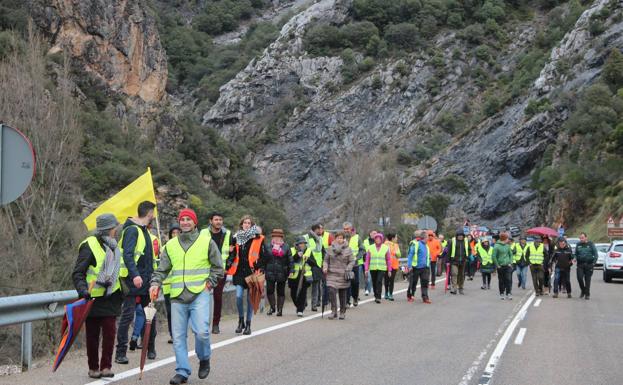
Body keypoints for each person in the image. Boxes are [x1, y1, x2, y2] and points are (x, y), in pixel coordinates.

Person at [150, 208, 223, 385]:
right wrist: (155, 283)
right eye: (182, 220)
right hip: (177, 296)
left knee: (202, 332)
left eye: (188, 219)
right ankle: (182, 371)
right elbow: (162, 269)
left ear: (195, 222)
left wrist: (210, 283)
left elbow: (218, 268)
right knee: (178, 336)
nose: (185, 222)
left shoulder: (207, 242)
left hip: (200, 293)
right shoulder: (170, 245)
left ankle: (204, 358)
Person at [72, 214, 123, 379]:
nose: (116, 230)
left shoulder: (116, 246)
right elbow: (78, 273)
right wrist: (83, 291)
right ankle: (93, 368)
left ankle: (106, 366)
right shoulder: (89, 246)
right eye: (115, 227)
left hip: (111, 296)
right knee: (92, 336)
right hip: (92, 297)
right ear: (109, 229)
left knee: (110, 333)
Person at [115, 201, 157, 364]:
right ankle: (120, 353)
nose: (153, 216)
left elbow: (147, 258)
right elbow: (128, 255)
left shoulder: (144, 231)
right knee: (127, 316)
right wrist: (135, 275)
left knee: (150, 315)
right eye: (152, 213)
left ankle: (150, 348)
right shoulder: (132, 230)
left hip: (146, 282)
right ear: (149, 214)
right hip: (132, 282)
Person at [226, 215, 269, 334]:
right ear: (241, 224)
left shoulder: (258, 238)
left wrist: (259, 265)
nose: (246, 224)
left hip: (252, 272)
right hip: (239, 272)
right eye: (244, 223)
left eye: (249, 223)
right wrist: (228, 263)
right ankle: (241, 320)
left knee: (250, 299)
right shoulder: (235, 238)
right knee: (239, 296)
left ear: (252, 225)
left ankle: (248, 324)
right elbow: (232, 253)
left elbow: (266, 255)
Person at [200, 212, 232, 334]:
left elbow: (233, 252)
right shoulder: (203, 233)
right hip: (205, 270)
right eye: (216, 219)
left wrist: (227, 266)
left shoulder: (228, 234)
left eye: (220, 219)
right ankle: (202, 324)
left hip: (221, 270)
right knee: (203, 297)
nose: (218, 222)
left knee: (218, 297)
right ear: (210, 221)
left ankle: (216, 324)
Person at [323, 231, 355, 319]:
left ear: (343, 239)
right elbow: (326, 260)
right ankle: (333, 311)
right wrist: (325, 267)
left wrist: (348, 268)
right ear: (335, 239)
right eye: (338, 238)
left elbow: (352, 261)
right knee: (331, 291)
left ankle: (342, 312)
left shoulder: (348, 249)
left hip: (343, 274)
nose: (339, 239)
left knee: (343, 294)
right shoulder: (329, 249)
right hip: (331, 274)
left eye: (341, 238)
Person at [265, 229, 290, 316]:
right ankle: (272, 307)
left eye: (279, 237)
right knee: (269, 291)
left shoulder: (286, 247)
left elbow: (290, 260)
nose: (277, 238)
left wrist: (291, 270)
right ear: (272, 237)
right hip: (270, 271)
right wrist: (262, 268)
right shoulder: (267, 246)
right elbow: (263, 259)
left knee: (281, 292)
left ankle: (280, 310)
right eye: (275, 236)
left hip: (282, 272)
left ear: (282, 237)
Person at [162, 224, 180, 344]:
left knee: (179, 312)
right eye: (173, 233)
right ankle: (172, 334)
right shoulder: (165, 247)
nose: (175, 235)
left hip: (180, 285)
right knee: (170, 312)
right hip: (168, 285)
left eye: (177, 232)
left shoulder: (185, 247)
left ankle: (179, 333)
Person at [288, 237, 313, 316]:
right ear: (297, 244)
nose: (302, 245)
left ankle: (300, 310)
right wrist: (296, 256)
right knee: (293, 294)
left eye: (303, 243)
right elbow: (289, 261)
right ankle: (300, 305)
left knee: (303, 293)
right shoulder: (292, 250)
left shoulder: (308, 251)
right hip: (293, 275)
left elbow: (314, 263)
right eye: (300, 243)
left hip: (304, 275)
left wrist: (308, 259)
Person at [365, 233, 391, 303]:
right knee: (374, 282)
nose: (378, 240)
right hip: (373, 268)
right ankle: (376, 295)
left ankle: (378, 297)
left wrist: (389, 270)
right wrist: (366, 269)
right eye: (376, 239)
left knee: (379, 281)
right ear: (374, 239)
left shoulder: (385, 247)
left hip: (382, 268)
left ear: (381, 239)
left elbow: (388, 259)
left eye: (379, 239)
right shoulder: (370, 247)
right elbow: (367, 259)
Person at [407, 230, 432, 304]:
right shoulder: (416, 244)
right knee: (413, 283)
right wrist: (409, 266)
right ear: (424, 237)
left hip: (425, 268)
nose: (428, 238)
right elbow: (410, 255)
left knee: (425, 282)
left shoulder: (427, 246)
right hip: (416, 267)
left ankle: (425, 298)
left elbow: (427, 257)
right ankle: (410, 295)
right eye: (427, 237)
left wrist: (428, 263)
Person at [343, 222, 364, 307]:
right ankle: (347, 302)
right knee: (346, 282)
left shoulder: (357, 237)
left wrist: (357, 257)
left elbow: (362, 250)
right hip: (344, 264)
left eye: (347, 229)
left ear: (351, 229)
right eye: (344, 229)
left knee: (355, 282)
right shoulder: (341, 238)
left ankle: (355, 297)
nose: (345, 231)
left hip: (355, 264)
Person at [305, 224, 324, 312]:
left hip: (317, 266)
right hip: (308, 265)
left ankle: (314, 305)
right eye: (320, 229)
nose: (322, 231)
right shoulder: (306, 237)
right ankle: (304, 301)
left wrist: (324, 262)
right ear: (316, 230)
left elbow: (322, 251)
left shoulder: (320, 238)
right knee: (305, 285)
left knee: (316, 286)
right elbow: (303, 249)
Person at [575, 232, 598, 300]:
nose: (581, 239)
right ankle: (583, 290)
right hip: (580, 264)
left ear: (586, 238)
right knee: (579, 278)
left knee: (587, 280)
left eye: (582, 238)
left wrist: (593, 263)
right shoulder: (578, 244)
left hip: (589, 264)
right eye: (580, 238)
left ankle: (587, 294)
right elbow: (575, 254)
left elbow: (595, 254)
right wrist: (574, 258)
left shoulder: (591, 244)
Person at [492, 232, 514, 300]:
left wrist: (510, 262)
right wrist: (497, 265)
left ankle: (508, 293)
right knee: (501, 280)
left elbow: (511, 255)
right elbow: (494, 256)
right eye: (507, 238)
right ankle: (502, 293)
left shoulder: (508, 246)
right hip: (500, 266)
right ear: (504, 239)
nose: (508, 240)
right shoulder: (496, 246)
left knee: (508, 279)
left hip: (507, 265)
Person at [448, 229, 469, 295]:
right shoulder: (452, 241)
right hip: (454, 261)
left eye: (461, 235)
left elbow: (469, 249)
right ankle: (454, 289)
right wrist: (448, 261)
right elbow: (449, 251)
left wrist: (467, 256)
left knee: (461, 275)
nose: (460, 236)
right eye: (459, 235)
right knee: (454, 274)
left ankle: (461, 288)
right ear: (456, 236)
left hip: (463, 261)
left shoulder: (466, 241)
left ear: (463, 236)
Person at [384, 233, 401, 300]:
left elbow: (399, 255)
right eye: (396, 237)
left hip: (391, 265)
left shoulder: (395, 245)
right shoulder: (386, 245)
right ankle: (389, 294)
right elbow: (398, 254)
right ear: (392, 238)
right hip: (389, 265)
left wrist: (396, 253)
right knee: (390, 280)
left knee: (387, 280)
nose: (397, 239)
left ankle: (387, 293)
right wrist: (395, 253)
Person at [363, 230, 377, 296]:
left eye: (376, 233)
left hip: (375, 261)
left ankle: (375, 290)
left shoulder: (378, 241)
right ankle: (367, 290)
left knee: (374, 277)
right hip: (367, 261)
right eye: (373, 233)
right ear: (370, 234)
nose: (375, 234)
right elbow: (363, 250)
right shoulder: (365, 241)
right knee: (367, 277)